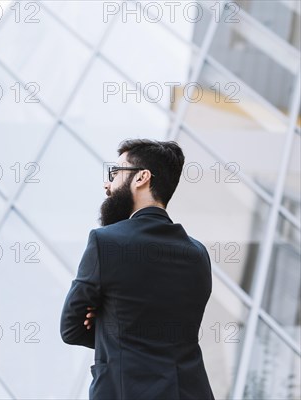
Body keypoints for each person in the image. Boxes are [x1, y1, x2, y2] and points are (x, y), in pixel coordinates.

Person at [60, 139, 215, 399]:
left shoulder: (105, 242)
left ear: (142, 177)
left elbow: (70, 327)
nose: (107, 185)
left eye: (115, 173)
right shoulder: (197, 254)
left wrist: (107, 321)